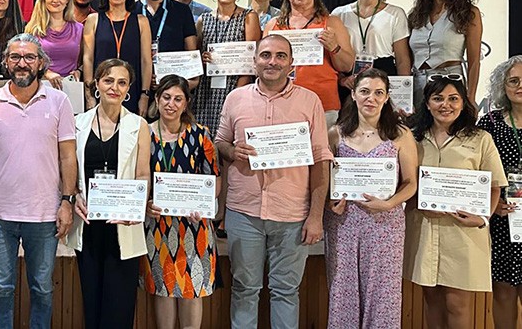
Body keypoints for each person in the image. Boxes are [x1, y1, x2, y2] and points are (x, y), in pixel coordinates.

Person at [214, 34, 333, 329]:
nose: (273, 62)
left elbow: (321, 160)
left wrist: (316, 216)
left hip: (292, 213)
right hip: (244, 211)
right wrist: (231, 151)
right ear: (255, 61)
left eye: (281, 56)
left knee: (286, 291)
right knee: (244, 289)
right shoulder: (235, 98)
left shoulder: (309, 101)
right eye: (266, 55)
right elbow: (220, 142)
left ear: (291, 63)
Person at [0, 34, 78, 328]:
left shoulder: (59, 101)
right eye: (15, 57)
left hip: (44, 214)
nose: (22, 63)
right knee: (1, 288)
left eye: (29, 57)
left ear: (41, 63)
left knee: (42, 289)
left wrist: (67, 201)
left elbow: (68, 156)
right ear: (6, 62)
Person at [405, 75, 506, 328]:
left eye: (453, 99)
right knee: (432, 301)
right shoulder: (413, 138)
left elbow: (494, 186)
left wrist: (483, 218)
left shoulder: (480, 139)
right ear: (427, 103)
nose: (445, 105)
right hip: (424, 229)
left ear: (463, 103)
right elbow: (405, 182)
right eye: (438, 98)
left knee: (457, 304)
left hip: (463, 234)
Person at [323, 68, 418, 328]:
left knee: (383, 295)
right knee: (343, 293)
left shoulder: (400, 134)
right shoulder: (335, 134)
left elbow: (410, 183)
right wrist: (331, 202)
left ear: (387, 97)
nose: (371, 98)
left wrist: (388, 204)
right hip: (343, 224)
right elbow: (326, 181)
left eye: (378, 93)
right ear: (353, 94)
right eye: (365, 91)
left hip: (385, 224)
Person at [67, 58, 151, 329]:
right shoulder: (77, 123)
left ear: (128, 89)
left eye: (122, 82)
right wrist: (74, 196)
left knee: (119, 306)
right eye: (108, 80)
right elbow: (69, 172)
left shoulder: (139, 125)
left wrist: (135, 208)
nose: (115, 87)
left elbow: (142, 174)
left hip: (123, 225)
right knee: (91, 304)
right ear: (97, 84)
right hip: (88, 224)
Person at [141, 74, 219, 329]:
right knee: (163, 287)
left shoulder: (201, 135)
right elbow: (137, 177)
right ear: (156, 99)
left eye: (177, 99)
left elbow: (214, 180)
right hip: (157, 224)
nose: (171, 104)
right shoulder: (144, 134)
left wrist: (204, 205)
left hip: (194, 225)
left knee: (192, 288)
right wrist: (144, 203)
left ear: (186, 103)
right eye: (166, 97)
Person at [265, 0, 355, 127]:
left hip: (323, 103)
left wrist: (334, 47)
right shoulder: (273, 25)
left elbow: (347, 66)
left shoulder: (331, 22)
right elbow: (262, 65)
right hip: (280, 101)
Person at [477, 55, 522, 329]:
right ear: (502, 86)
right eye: (513, 81)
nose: (519, 86)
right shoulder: (490, 123)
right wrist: (490, 203)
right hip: (503, 219)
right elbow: (475, 170)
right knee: (504, 291)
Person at [408, 0, 483, 108]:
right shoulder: (415, 15)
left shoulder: (469, 13)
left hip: (450, 84)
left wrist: (470, 97)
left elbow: (474, 60)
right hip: (417, 85)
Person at [196, 0, 261, 136]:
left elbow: (251, 59)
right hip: (206, 88)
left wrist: (238, 93)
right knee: (205, 135)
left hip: (236, 84)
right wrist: (202, 58)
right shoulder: (203, 19)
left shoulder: (249, 16)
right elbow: (196, 55)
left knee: (229, 134)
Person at [82, 0, 153, 114]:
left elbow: (146, 60)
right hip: (101, 91)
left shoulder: (141, 21)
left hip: (131, 91)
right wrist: (89, 94)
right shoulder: (93, 20)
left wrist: (144, 95)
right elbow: (88, 59)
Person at [331, 0, 412, 82]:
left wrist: (404, 88)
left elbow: (402, 59)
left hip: (384, 74)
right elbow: (331, 54)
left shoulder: (396, 14)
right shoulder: (339, 14)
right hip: (349, 76)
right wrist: (341, 79)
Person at [135, 0, 198, 91]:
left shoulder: (182, 11)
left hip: (171, 92)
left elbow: (192, 61)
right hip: (136, 89)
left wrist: (171, 84)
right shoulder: (130, 11)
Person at [24, 0, 84, 87]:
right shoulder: (32, 30)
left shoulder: (79, 29)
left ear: (67, 0)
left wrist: (79, 71)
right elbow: (27, 61)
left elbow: (87, 59)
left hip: (70, 87)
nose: (56, 0)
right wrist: (47, 73)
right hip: (40, 85)